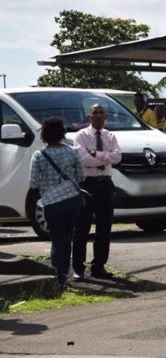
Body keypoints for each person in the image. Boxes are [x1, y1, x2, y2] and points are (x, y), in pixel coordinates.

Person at [28, 117, 85, 288]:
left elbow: (33, 183)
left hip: (51, 203)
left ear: (44, 134)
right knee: (67, 238)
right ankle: (64, 274)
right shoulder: (72, 151)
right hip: (73, 200)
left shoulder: (39, 155)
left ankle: (58, 277)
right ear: (62, 133)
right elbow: (82, 177)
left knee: (57, 239)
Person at [72, 103, 122, 279]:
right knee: (82, 227)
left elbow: (117, 156)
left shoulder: (111, 136)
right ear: (89, 116)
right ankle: (78, 267)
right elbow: (82, 159)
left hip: (105, 184)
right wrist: (104, 157)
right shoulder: (81, 136)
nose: (98, 115)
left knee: (104, 227)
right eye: (95, 113)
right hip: (87, 184)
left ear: (106, 116)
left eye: (101, 112)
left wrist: (96, 155)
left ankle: (99, 265)